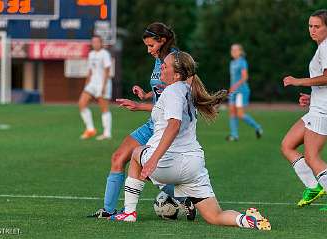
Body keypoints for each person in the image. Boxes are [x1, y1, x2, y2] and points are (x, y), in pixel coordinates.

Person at [110, 51, 271, 231]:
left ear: (177, 74)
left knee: (136, 153)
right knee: (214, 216)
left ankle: (129, 213)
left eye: (166, 65)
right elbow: (166, 109)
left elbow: (174, 125)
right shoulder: (187, 90)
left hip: (166, 163)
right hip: (193, 167)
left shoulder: (172, 90)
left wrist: (154, 159)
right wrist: (140, 106)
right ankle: (247, 220)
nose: (161, 67)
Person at [88, 23, 195, 219]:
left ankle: (184, 198)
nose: (148, 50)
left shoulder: (176, 61)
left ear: (162, 41)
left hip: (165, 127)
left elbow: (181, 98)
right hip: (152, 122)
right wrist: (145, 96)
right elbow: (162, 93)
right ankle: (108, 210)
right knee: (118, 157)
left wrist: (139, 105)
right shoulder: (158, 60)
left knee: (152, 172)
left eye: (151, 45)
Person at [281, 9, 327, 211]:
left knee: (312, 157)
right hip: (317, 108)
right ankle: (313, 186)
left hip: (322, 112)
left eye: (317, 26)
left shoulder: (326, 47)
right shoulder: (321, 48)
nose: (313, 30)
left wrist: (298, 81)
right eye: (310, 26)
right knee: (287, 145)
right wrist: (311, 97)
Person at [79, 35, 113, 140]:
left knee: (104, 108)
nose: (95, 44)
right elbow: (90, 71)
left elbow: (107, 71)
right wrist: (86, 84)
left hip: (103, 83)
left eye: (97, 42)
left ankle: (107, 133)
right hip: (92, 83)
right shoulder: (91, 54)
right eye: (93, 42)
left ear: (101, 43)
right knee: (81, 104)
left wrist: (103, 86)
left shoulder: (105, 54)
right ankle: (90, 129)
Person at [226, 44, 263, 141]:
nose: (233, 52)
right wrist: (231, 88)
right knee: (232, 113)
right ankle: (234, 135)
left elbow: (245, 77)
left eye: (235, 50)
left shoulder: (242, 62)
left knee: (240, 114)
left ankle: (258, 127)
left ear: (240, 51)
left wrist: (235, 86)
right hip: (233, 91)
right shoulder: (232, 63)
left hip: (241, 92)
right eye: (232, 50)